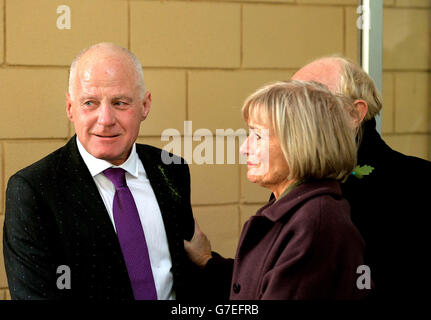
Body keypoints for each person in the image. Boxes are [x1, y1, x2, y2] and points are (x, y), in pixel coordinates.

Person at [3, 43, 199, 300]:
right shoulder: (33, 190)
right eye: (90, 103)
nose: (105, 119)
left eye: (120, 103)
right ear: (70, 107)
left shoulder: (172, 169)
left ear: (145, 105)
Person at [186, 80, 368, 299]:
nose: (244, 148)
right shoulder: (300, 211)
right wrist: (208, 261)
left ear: (301, 143)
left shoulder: (314, 223)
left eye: (259, 136)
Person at [291, 56, 431, 299]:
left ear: (354, 114)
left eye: (309, 101)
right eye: (288, 102)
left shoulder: (416, 185)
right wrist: (208, 262)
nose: (290, 116)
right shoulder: (303, 180)